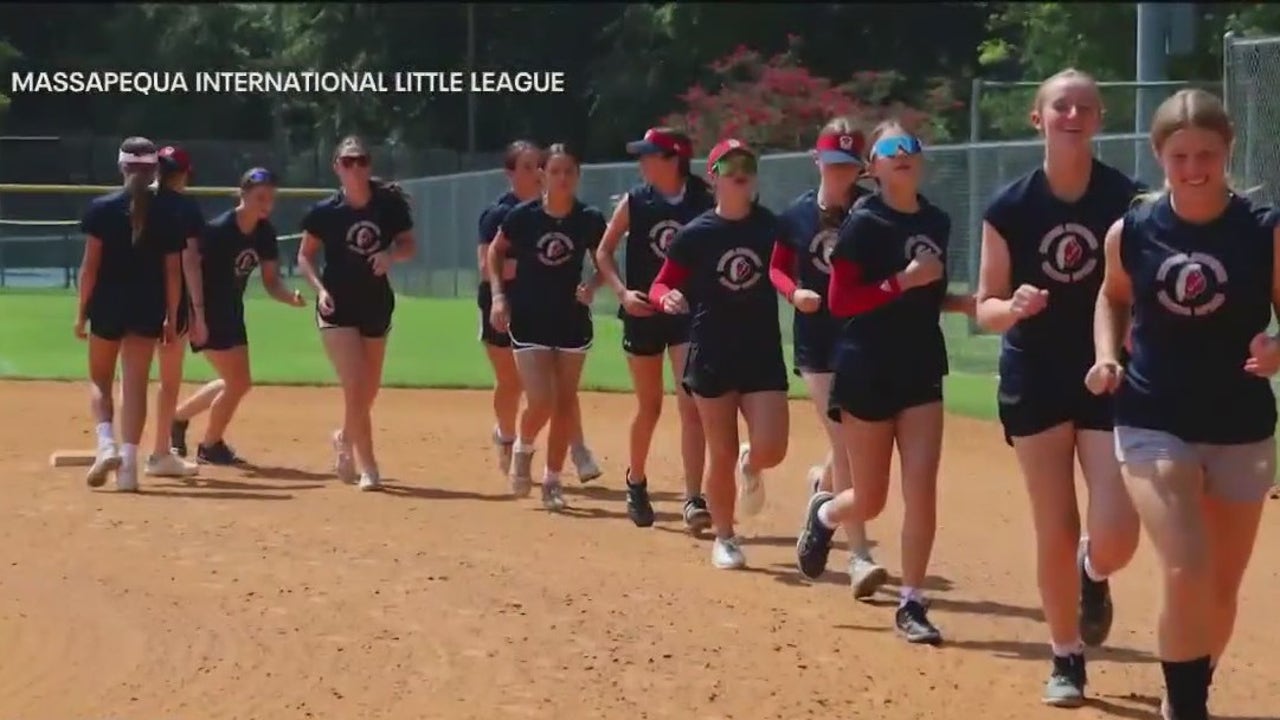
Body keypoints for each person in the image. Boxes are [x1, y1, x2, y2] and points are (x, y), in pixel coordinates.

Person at [1090, 88, 1279, 720]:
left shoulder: (1263, 230)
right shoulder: (1135, 228)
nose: (1194, 168)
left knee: (1220, 590)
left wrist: (1277, 346)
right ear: (1159, 156)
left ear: (1228, 152)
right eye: (1180, 156)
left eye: (1207, 154)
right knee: (1187, 565)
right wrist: (1108, 354)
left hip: (1242, 423)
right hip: (1153, 414)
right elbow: (1112, 296)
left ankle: (1183, 697)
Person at [975, 68, 1144, 706]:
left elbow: (1141, 296)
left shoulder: (1129, 202)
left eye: (1085, 107)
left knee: (1119, 527)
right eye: (1061, 106)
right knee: (1054, 520)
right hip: (1034, 375)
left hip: (1107, 374)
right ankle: (1066, 655)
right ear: (1037, 118)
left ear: (1098, 119)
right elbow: (985, 307)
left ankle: (1092, 571)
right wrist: (1011, 307)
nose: (1073, 115)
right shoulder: (1010, 207)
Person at [795, 121, 974, 644]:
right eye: (890, 148)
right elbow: (841, 301)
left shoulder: (938, 220)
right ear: (873, 167)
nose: (902, 154)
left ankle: (912, 602)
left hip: (920, 363)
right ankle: (826, 514)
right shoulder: (864, 222)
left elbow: (931, 292)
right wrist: (902, 281)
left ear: (919, 160)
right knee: (869, 499)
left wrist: (964, 301)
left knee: (922, 491)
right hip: (866, 363)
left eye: (910, 146)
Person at [648, 139, 790, 570]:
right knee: (720, 450)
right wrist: (665, 298)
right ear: (713, 177)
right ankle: (725, 537)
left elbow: (786, 271)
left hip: (761, 350)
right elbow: (660, 283)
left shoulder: (772, 228)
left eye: (747, 163)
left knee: (773, 447)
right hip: (712, 349)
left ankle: (754, 461)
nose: (739, 170)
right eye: (728, 164)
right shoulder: (696, 234)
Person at [772, 117, 887, 598]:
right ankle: (859, 556)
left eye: (849, 165)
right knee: (846, 442)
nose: (841, 174)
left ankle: (822, 494)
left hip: (861, 340)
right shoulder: (797, 216)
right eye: (833, 163)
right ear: (817, 161)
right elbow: (777, 268)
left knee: (847, 442)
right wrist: (794, 291)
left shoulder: (872, 214)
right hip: (817, 343)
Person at [594, 127, 711, 531]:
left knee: (690, 405)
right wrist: (622, 293)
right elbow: (604, 250)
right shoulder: (636, 201)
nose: (642, 162)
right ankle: (636, 481)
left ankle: (694, 497)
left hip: (685, 312)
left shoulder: (702, 200)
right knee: (650, 406)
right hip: (643, 312)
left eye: (649, 155)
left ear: (673, 159)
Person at [487, 143, 606, 511]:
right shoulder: (523, 216)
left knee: (565, 404)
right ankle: (523, 447)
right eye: (555, 172)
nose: (562, 178)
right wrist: (498, 296)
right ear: (542, 176)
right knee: (542, 399)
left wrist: (594, 285)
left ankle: (553, 480)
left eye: (569, 171)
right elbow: (495, 252)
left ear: (578, 175)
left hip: (571, 319)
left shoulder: (588, 218)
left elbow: (604, 260)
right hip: (529, 316)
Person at [297, 135, 416, 491]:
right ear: (336, 167)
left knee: (369, 389)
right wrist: (320, 291)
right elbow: (304, 255)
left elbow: (409, 245)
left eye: (361, 160)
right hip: (337, 306)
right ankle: (370, 466)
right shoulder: (325, 212)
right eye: (347, 161)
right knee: (355, 386)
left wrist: (391, 256)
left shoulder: (388, 206)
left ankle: (343, 437)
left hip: (375, 303)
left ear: (369, 165)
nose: (355, 167)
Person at [170, 168, 306, 463]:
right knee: (239, 382)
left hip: (232, 310)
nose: (266, 204)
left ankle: (178, 419)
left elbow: (271, 281)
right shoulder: (218, 230)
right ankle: (210, 445)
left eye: (270, 198)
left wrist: (289, 297)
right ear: (242, 194)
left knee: (234, 381)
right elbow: (188, 269)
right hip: (205, 309)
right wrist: (195, 316)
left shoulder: (264, 232)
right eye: (260, 197)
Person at [76, 136, 186, 492]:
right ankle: (128, 468)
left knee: (99, 380)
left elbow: (89, 268)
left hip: (108, 303)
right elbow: (173, 271)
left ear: (122, 166)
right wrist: (172, 316)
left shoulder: (101, 208)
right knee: (135, 384)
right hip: (148, 304)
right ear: (154, 168)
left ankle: (106, 442)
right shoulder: (169, 212)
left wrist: (81, 313)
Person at [145, 145, 206, 477]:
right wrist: (198, 311)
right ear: (184, 173)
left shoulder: (135, 199)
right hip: (171, 301)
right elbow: (190, 260)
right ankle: (158, 454)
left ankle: (122, 448)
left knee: (133, 377)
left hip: (132, 300)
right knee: (168, 383)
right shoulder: (184, 207)